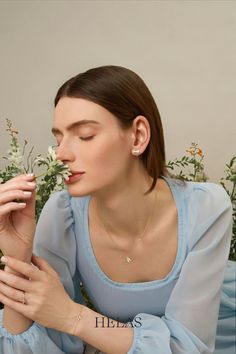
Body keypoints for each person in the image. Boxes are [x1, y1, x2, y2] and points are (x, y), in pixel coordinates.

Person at [0, 65, 235, 354]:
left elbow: (188, 347)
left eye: (85, 135)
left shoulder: (207, 208)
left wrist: (72, 316)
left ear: (137, 136)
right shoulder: (63, 215)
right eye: (58, 139)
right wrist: (19, 257)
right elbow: (45, 341)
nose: (60, 154)